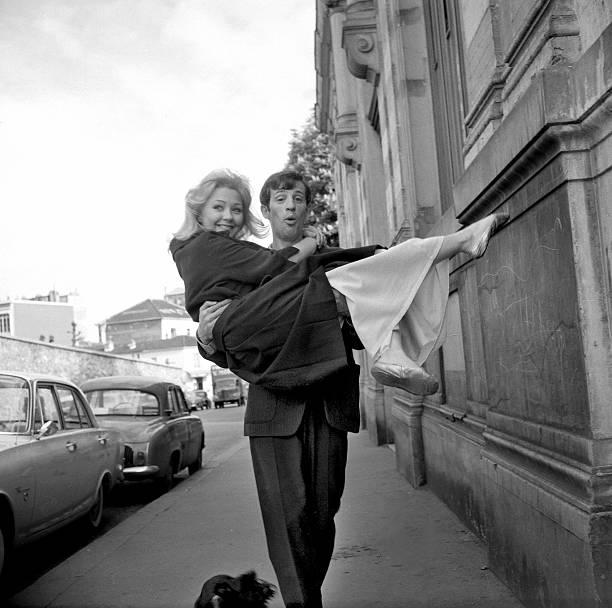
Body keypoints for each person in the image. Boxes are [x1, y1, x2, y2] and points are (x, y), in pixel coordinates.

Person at [172, 169, 507, 608]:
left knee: (322, 517)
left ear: (307, 209)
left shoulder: (326, 263)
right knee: (287, 522)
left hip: (328, 398)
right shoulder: (243, 264)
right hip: (276, 408)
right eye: (280, 200)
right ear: (268, 211)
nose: (290, 207)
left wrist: (368, 311)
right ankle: (303, 604)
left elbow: (358, 317)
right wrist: (206, 337)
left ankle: (395, 339)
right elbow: (226, 342)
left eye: (299, 199)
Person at [170, 169, 507, 396]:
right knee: (352, 272)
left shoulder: (238, 254)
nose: (228, 216)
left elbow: (353, 330)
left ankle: (390, 350)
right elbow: (270, 271)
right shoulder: (217, 250)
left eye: (235, 210)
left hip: (320, 388)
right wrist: (205, 339)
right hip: (273, 391)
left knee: (366, 266)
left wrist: (357, 310)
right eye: (219, 208)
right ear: (267, 209)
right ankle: (461, 243)